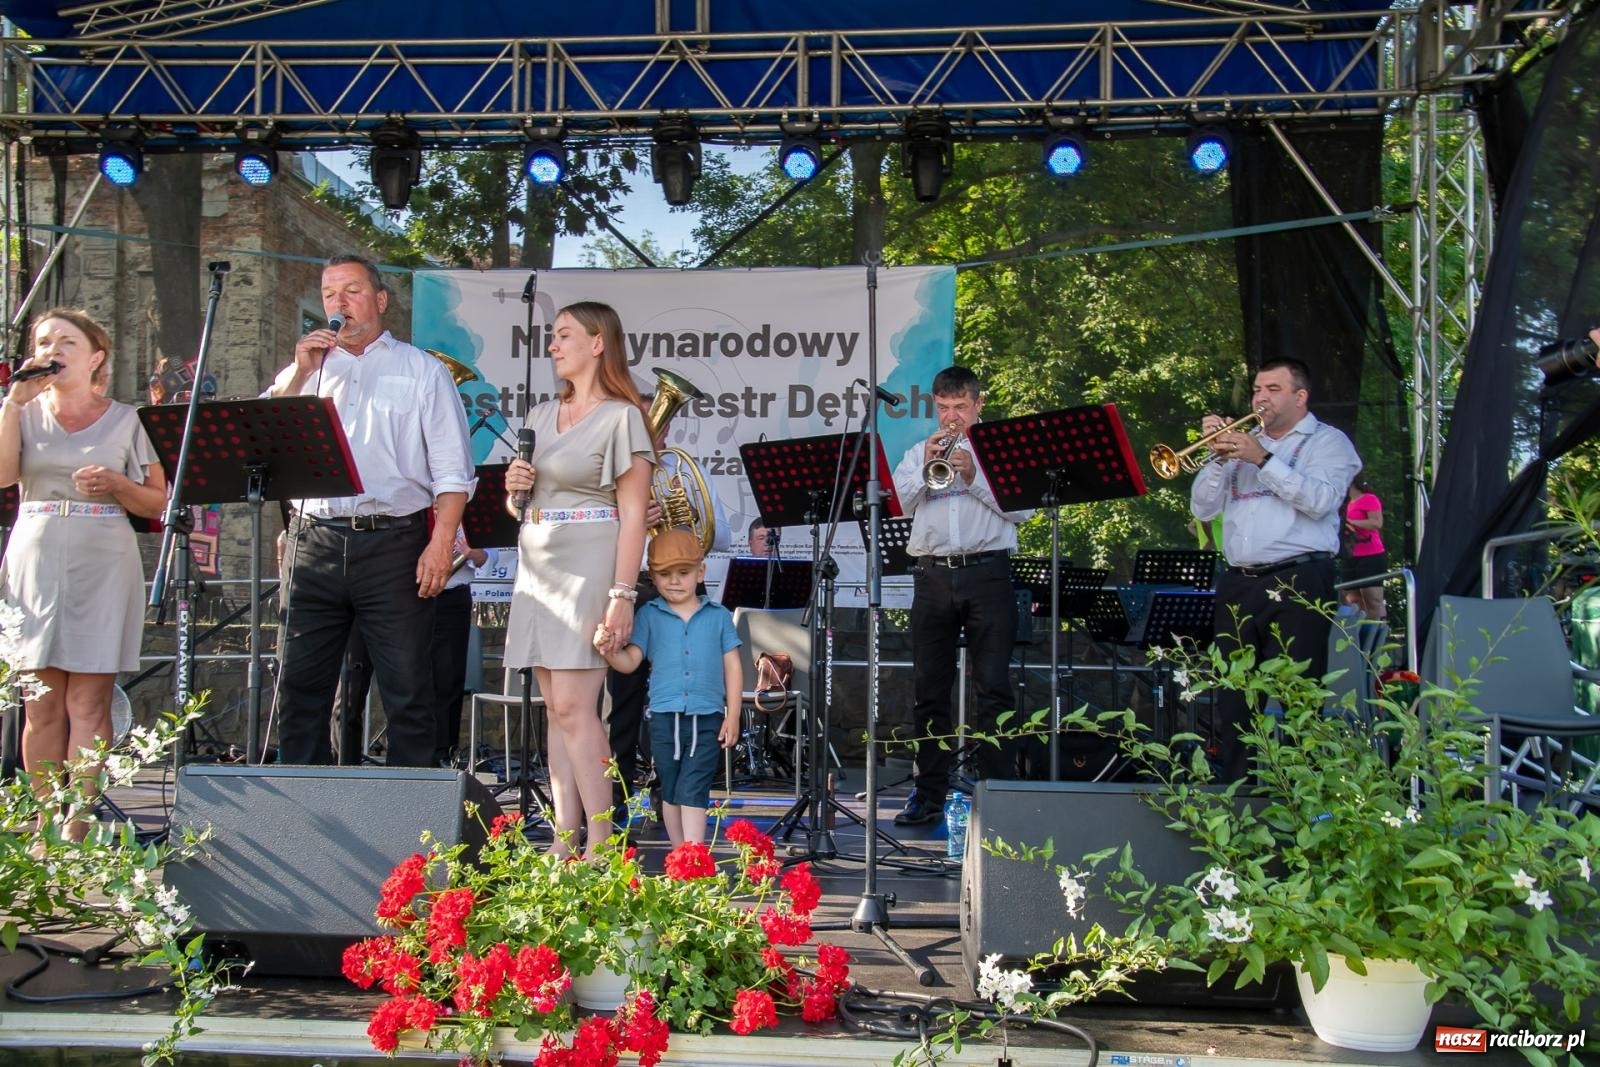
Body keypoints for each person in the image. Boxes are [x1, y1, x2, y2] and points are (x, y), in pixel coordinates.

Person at [268, 255, 474, 768]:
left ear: (380, 301)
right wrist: (298, 372)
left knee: (407, 687)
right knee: (300, 686)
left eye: (352, 291)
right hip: (313, 540)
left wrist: (439, 543)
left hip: (393, 541)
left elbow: (452, 473)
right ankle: (304, 816)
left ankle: (413, 832)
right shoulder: (306, 372)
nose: (338, 303)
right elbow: (263, 446)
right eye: (329, 292)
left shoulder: (421, 370)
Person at [0, 308, 168, 843]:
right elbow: (4, 476)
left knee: (87, 701)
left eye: (66, 341)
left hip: (103, 554)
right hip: (36, 553)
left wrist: (118, 484)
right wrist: (11, 404)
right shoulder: (22, 413)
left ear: (95, 357)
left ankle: (77, 821)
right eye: (44, 340)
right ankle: (46, 820)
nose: (52, 348)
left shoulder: (129, 419)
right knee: (41, 704)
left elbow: (158, 499)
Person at [503, 301, 654, 856]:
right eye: (551, 336)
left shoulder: (623, 415)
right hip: (537, 561)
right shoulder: (541, 416)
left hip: (589, 562)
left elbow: (634, 513)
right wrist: (513, 487)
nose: (552, 345)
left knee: (575, 707)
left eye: (563, 335)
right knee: (555, 710)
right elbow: (522, 506)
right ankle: (564, 843)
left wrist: (622, 595)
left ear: (597, 343)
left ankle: (601, 843)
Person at [1190, 357, 1362, 779]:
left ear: (1300, 397)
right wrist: (1217, 458)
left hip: (1298, 578)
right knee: (1233, 697)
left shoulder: (1328, 442)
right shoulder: (1244, 442)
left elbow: (1320, 501)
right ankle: (1237, 790)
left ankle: (1306, 796)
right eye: (1256, 390)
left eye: (1273, 389)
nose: (1260, 398)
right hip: (1239, 582)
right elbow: (1202, 507)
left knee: (1300, 694)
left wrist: (1262, 458)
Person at [889, 365, 1033, 827]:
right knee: (929, 692)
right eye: (944, 408)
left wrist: (973, 477)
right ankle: (927, 794)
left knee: (993, 689)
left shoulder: (1002, 451)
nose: (952, 419)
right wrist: (924, 468)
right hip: (932, 577)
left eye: (961, 408)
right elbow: (897, 504)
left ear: (978, 405)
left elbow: (1025, 510)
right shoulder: (919, 451)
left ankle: (997, 796)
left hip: (988, 574)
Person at [604, 411, 730, 822]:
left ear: (667, 429)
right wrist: (632, 522)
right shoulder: (613, 472)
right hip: (631, 588)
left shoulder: (684, 471)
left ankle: (673, 795)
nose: (650, 432)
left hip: (684, 587)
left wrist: (684, 519)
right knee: (623, 701)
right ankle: (618, 802)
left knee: (691, 695)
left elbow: (722, 535)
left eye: (656, 422)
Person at [594, 529, 741, 846]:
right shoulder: (648, 615)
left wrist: (733, 715)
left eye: (684, 573)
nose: (675, 581)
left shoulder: (719, 617)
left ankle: (695, 854)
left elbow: (733, 666)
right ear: (652, 577)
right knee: (672, 785)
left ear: (700, 572)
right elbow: (631, 662)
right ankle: (680, 856)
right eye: (665, 574)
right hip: (664, 716)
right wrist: (609, 651)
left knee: (695, 784)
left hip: (707, 715)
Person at [1341, 475, 1386, 621]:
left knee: (1372, 598)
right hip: (1352, 554)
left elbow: (1377, 523)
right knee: (1353, 599)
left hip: (1371, 554)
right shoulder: (1348, 504)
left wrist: (1352, 522)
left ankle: (1378, 634)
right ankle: (1359, 635)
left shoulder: (1369, 498)